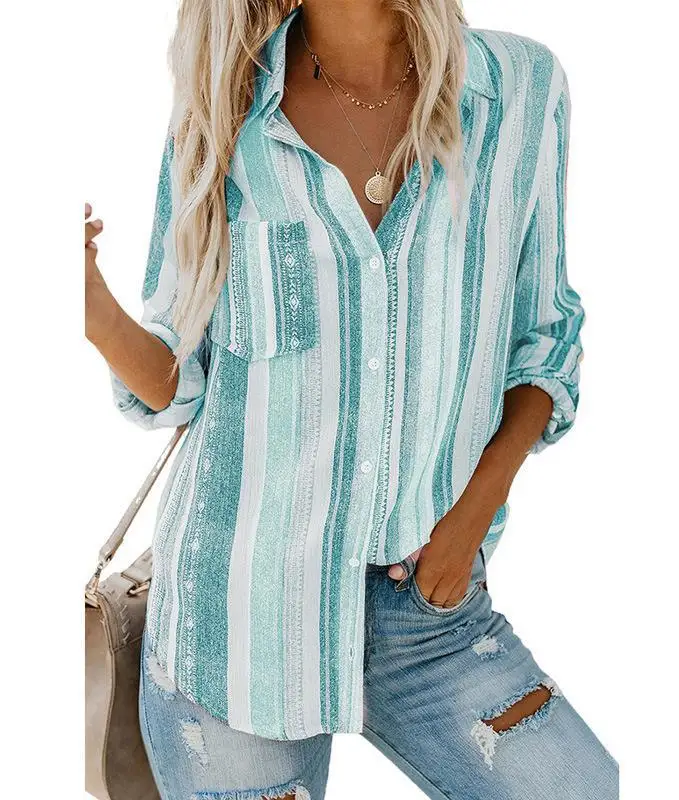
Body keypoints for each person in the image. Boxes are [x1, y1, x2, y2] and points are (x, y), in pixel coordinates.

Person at [85, 1, 618, 798]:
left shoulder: (518, 90)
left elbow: (543, 337)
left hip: (432, 613)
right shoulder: (224, 109)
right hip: (237, 624)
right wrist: (88, 304)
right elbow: (175, 379)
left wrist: (472, 514)